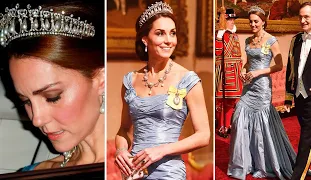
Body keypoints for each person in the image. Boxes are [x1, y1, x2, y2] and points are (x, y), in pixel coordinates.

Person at [0, 1, 105, 171]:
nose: (37, 120)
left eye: (52, 97)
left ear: (102, 80)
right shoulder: (30, 174)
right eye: (26, 101)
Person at [114, 1, 210, 179]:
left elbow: (204, 135)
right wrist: (120, 151)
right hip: (134, 171)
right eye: (160, 33)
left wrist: (161, 150)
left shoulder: (188, 79)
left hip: (169, 172)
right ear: (145, 39)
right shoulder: (130, 81)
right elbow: (124, 130)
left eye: (172, 33)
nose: (168, 40)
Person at [227, 5, 298, 179]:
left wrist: (259, 72)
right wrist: (243, 71)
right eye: (250, 21)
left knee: (260, 127)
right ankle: (243, 163)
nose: (252, 24)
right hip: (248, 87)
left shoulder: (271, 40)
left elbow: (279, 65)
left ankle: (263, 163)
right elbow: (245, 61)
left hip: (262, 88)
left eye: (256, 21)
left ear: (263, 21)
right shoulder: (248, 41)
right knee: (238, 120)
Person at [284, 2, 311, 179]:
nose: (303, 20)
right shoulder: (296, 40)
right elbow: (291, 70)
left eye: (307, 16)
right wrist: (289, 96)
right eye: (301, 17)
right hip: (300, 96)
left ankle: (297, 176)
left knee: (306, 139)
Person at [215, 8, 243, 138]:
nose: (232, 22)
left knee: (232, 101)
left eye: (233, 19)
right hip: (224, 71)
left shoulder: (234, 35)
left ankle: (228, 124)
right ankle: (222, 126)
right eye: (229, 19)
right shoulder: (220, 34)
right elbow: (217, 52)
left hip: (235, 71)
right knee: (221, 101)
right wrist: (219, 37)